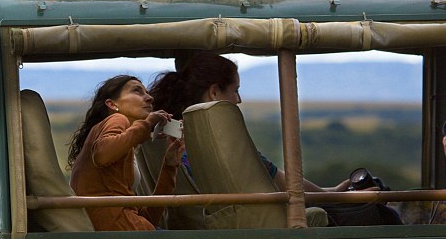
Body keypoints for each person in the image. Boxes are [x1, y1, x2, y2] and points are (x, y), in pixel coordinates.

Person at [147, 51, 382, 228]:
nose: (238, 100)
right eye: (235, 90)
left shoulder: (166, 133)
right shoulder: (219, 143)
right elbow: (285, 184)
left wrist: (332, 192)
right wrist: (333, 196)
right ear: (215, 92)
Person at [68, 74, 184, 231]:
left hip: (125, 229)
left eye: (147, 92)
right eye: (137, 91)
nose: (149, 98)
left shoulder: (124, 147)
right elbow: (102, 154)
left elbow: (146, 218)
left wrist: (170, 164)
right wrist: (148, 123)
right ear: (112, 104)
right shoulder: (117, 119)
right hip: (117, 231)